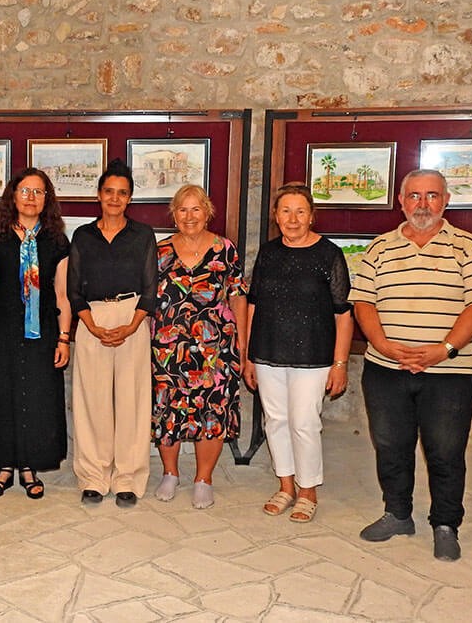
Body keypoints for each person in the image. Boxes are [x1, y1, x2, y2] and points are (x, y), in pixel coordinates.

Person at [350, 169, 472, 561]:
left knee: (446, 451)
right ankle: (397, 514)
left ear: (445, 201)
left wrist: (444, 349)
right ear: (401, 201)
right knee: (390, 446)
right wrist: (380, 344)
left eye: (432, 196)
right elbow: (362, 301)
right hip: (386, 369)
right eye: (414, 196)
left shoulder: (468, 247)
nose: (422, 204)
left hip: (449, 371)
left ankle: (446, 524)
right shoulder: (379, 248)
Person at [242, 183, 353, 523]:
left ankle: (308, 491)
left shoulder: (329, 255)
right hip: (268, 351)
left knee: (304, 422)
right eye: (285, 211)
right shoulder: (268, 253)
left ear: (311, 215)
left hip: (314, 355)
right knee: (276, 420)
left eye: (300, 211)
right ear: (276, 216)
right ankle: (286, 485)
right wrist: (248, 355)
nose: (292, 219)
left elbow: (343, 313)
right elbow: (253, 304)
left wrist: (340, 363)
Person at [0, 168, 72, 499]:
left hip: (43, 336)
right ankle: (3, 466)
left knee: (38, 399)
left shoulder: (57, 240)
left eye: (38, 192)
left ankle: (29, 466)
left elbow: (62, 292)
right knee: (0, 398)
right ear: (13, 196)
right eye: (25, 191)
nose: (31, 197)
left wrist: (65, 337)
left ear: (47, 199)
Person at [68, 159, 157, 508]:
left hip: (132, 316)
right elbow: (73, 290)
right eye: (109, 192)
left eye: (122, 193)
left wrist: (131, 325)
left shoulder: (143, 235)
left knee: (132, 401)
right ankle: (93, 476)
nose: (115, 198)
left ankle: (128, 479)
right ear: (99, 195)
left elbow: (151, 288)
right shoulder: (83, 236)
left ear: (130, 198)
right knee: (92, 402)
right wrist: (91, 326)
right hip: (92, 318)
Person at [151, 184, 247, 509]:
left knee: (213, 410)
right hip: (168, 348)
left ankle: (203, 478)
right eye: (182, 209)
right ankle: (170, 473)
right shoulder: (160, 250)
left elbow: (237, 295)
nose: (189, 216)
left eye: (196, 209)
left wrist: (242, 344)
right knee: (168, 409)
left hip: (216, 349)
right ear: (173, 214)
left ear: (208, 212)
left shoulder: (225, 249)